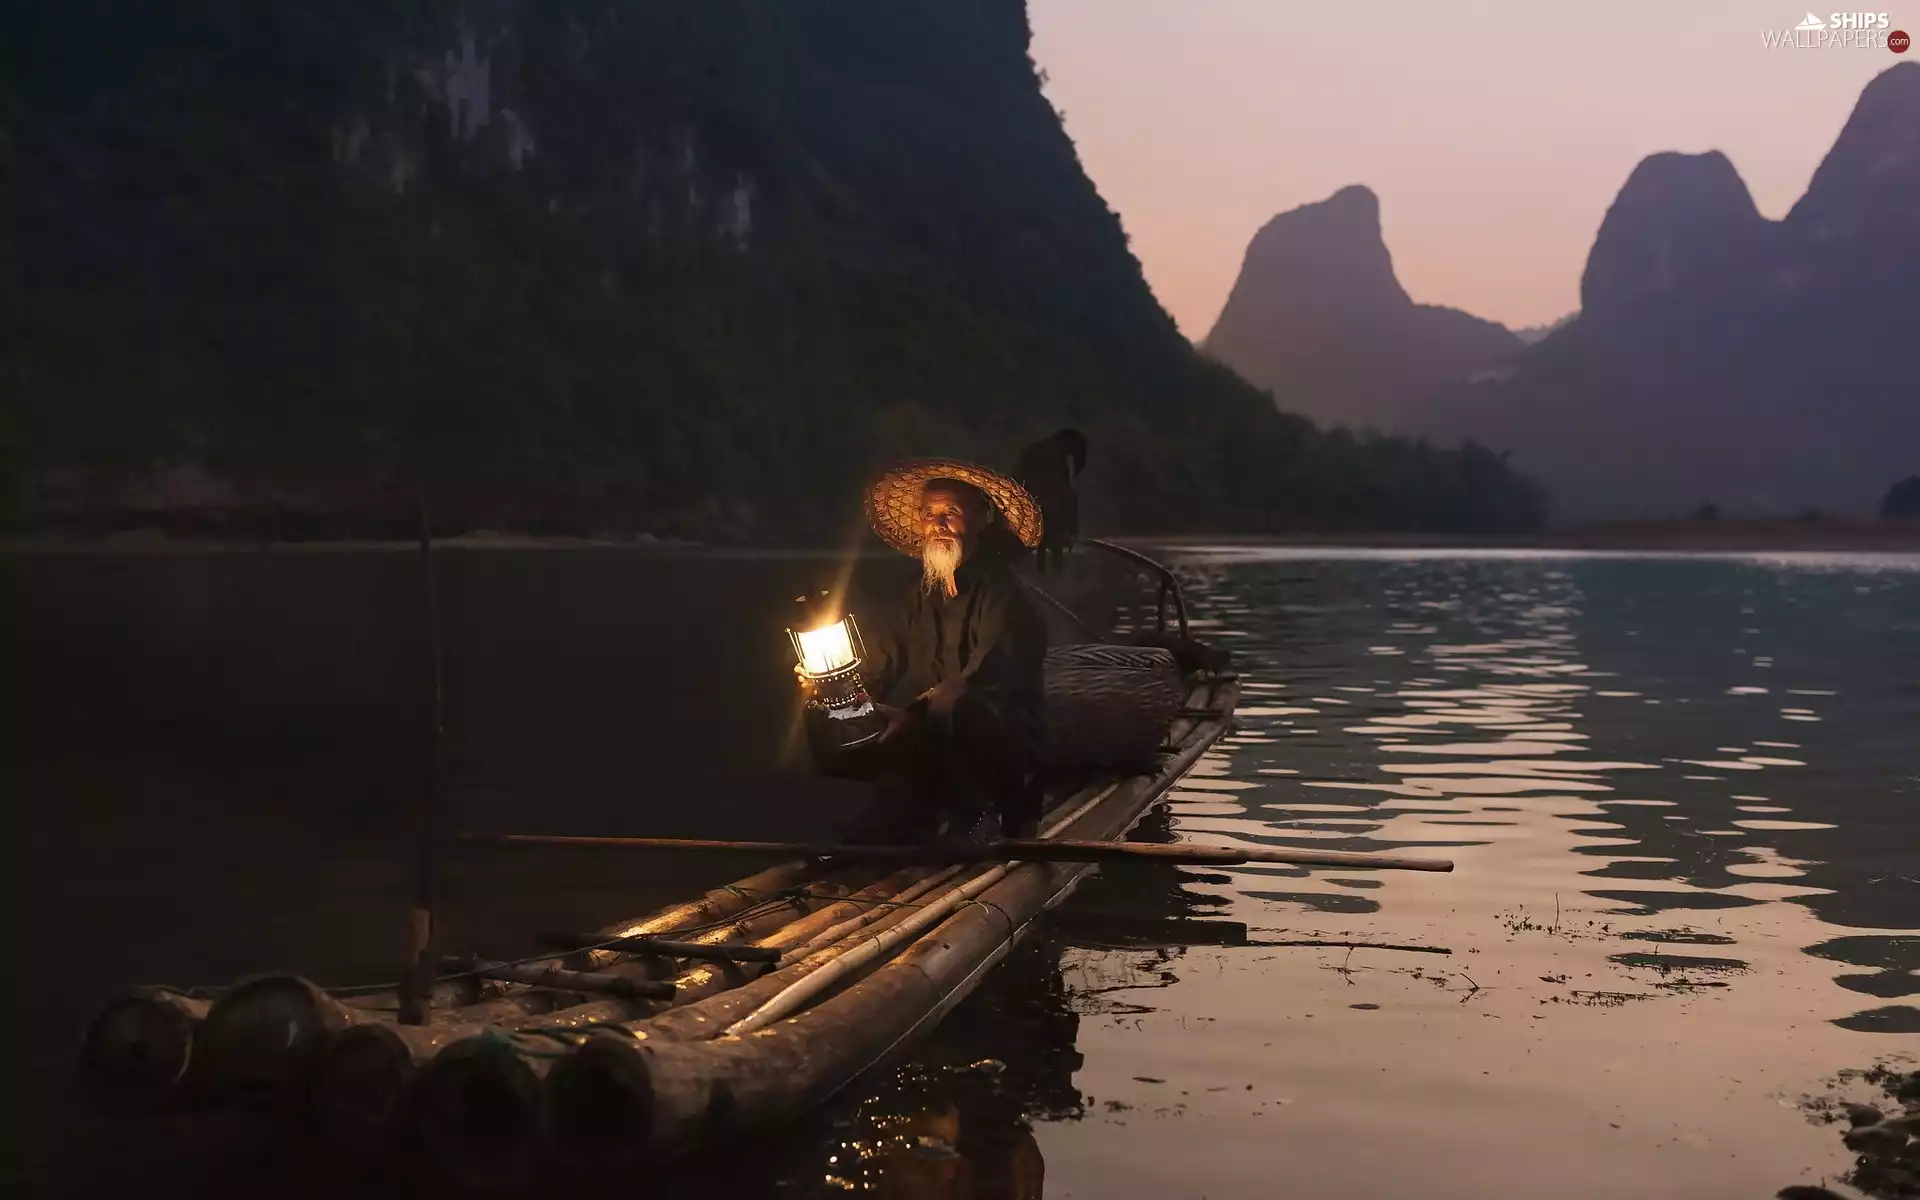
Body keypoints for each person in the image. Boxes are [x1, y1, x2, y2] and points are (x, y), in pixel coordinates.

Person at [800, 459, 1050, 847]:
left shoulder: (1006, 596)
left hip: (1002, 747)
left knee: (954, 700)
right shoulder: (917, 593)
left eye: (951, 512)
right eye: (929, 514)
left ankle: (980, 815)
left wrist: (912, 717)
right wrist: (834, 687)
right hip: (934, 735)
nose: (938, 524)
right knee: (827, 711)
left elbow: (986, 683)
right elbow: (880, 660)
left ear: (982, 518)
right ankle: (900, 807)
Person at [1012, 429, 1087, 574]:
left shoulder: (1038, 453)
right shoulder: (1054, 459)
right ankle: (1051, 571)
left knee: (1049, 544)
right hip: (1044, 510)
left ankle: (1047, 569)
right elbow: (1064, 495)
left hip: (1038, 507)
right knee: (1053, 544)